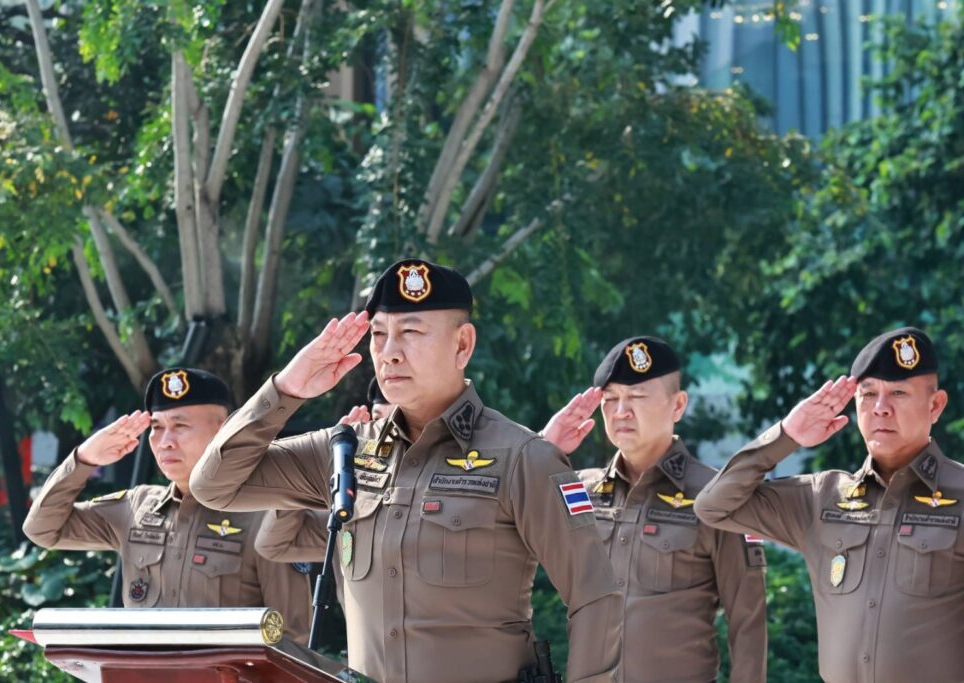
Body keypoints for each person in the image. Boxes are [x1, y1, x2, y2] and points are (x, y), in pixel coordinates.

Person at [190, 259, 622, 683]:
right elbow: (214, 486)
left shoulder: (524, 458)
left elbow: (596, 595)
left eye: (411, 333)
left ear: (462, 345)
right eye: (379, 335)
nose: (389, 353)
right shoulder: (345, 451)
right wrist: (286, 389)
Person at [694, 327, 964, 683]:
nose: (880, 408)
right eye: (868, 394)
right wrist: (787, 435)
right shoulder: (822, 498)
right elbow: (713, 506)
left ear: (935, 405)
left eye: (898, 393)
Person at [23, 368, 315, 644]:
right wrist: (84, 459)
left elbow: (291, 638)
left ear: (223, 432)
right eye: (156, 427)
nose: (165, 442)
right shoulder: (136, 508)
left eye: (180, 426)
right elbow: (43, 530)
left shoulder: (269, 514)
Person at [541, 336, 767, 683]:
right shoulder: (579, 492)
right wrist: (543, 448)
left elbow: (748, 621)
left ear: (678, 405)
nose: (621, 411)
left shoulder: (718, 497)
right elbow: (500, 525)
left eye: (636, 397)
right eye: (610, 399)